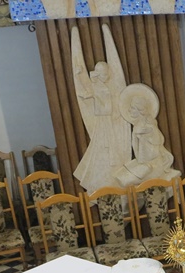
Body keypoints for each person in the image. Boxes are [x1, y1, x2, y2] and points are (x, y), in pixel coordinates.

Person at [71, 24, 130, 195]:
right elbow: (85, 92)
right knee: (100, 149)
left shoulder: (110, 88)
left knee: (111, 150)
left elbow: (112, 105)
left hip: (111, 122)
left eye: (105, 73)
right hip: (102, 123)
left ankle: (112, 182)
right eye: (100, 73)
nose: (103, 76)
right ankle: (98, 183)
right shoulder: (97, 86)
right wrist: (78, 74)